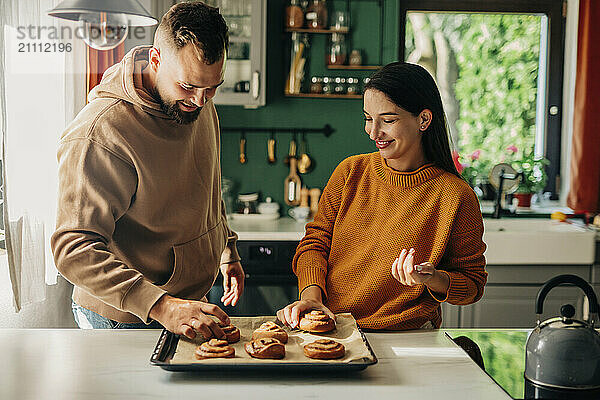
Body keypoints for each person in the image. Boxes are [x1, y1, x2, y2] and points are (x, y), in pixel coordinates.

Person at [51, 2, 244, 340]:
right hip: (124, 317)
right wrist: (162, 305)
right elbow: (72, 247)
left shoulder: (196, 102)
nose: (201, 100)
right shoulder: (101, 132)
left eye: (213, 87)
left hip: (182, 304)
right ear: (156, 60)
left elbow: (205, 183)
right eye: (188, 86)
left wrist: (226, 248)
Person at [277, 62, 488, 331]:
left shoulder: (456, 197)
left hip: (409, 337)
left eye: (387, 120)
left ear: (423, 119)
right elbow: (314, 245)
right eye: (368, 118)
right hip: (334, 328)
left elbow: (472, 285)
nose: (374, 133)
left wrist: (431, 278)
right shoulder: (350, 172)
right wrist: (311, 299)